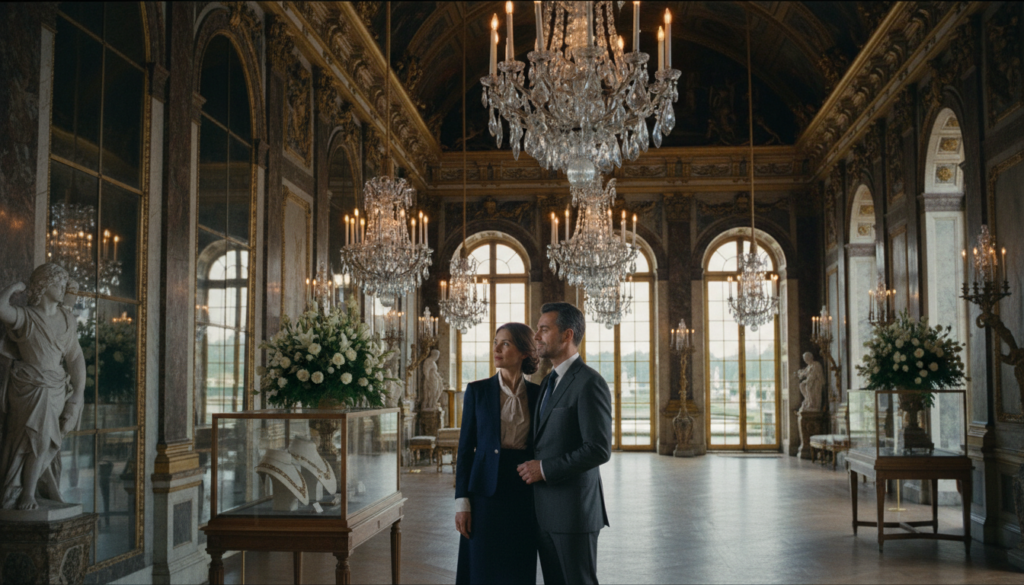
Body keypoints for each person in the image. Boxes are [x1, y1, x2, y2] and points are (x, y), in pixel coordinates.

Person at [518, 302, 612, 585]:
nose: (536, 336)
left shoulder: (589, 382)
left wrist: (544, 469)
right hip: (544, 513)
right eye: (537, 329)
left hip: (574, 514)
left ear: (567, 335)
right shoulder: (547, 381)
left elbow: (598, 448)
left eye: (544, 329)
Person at [455, 323, 541, 584]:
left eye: (505, 343)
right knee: (481, 566)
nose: (496, 349)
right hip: (484, 492)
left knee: (519, 564)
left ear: (524, 351)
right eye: (495, 342)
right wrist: (462, 502)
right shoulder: (477, 391)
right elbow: (465, 450)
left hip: (524, 490)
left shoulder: (539, 395)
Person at [0, 263, 86, 510]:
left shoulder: (67, 319)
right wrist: (15, 287)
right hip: (30, 387)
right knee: (33, 440)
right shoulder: (26, 316)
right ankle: (26, 492)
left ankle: (33, 489)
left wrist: (77, 397)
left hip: (57, 387)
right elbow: (0, 308)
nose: (63, 288)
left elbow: (76, 357)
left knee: (46, 441)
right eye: (58, 283)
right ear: (44, 285)